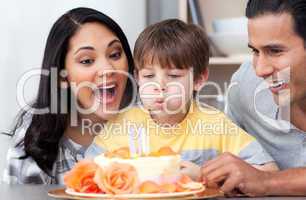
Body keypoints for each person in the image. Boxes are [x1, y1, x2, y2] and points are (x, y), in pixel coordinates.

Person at [86, 19, 278, 181]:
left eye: (174, 76)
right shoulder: (122, 123)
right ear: (136, 76)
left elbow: (268, 171)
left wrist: (204, 176)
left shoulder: (215, 124)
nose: (159, 86)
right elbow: (87, 172)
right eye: (149, 76)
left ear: (199, 79)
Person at [3, 7, 136, 184]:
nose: (108, 69)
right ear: (61, 76)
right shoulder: (34, 137)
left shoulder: (152, 114)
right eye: (87, 61)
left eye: (115, 54)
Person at [201, 0, 306, 196]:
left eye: (275, 51)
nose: (260, 70)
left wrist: (267, 181)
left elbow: (259, 181)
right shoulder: (245, 86)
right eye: (255, 51)